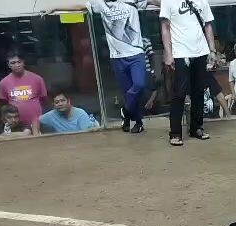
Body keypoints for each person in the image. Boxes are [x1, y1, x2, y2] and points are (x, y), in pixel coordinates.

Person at [48, 0, 161, 134]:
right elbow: (78, 6)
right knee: (127, 93)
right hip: (117, 57)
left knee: (138, 85)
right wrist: (55, 7)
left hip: (136, 54)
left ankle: (125, 111)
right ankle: (137, 122)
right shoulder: (100, 3)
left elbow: (154, 1)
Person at [161, 0, 218, 146]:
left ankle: (196, 128)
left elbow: (208, 25)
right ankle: (175, 133)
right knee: (179, 93)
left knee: (199, 91)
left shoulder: (201, 1)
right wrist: (168, 53)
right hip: (180, 52)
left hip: (201, 51)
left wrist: (212, 50)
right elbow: (165, 28)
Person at [0, 51, 47, 136]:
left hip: (36, 122)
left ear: (23, 62)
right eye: (13, 63)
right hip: (16, 125)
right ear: (9, 65)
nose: (17, 65)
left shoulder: (37, 79)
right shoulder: (4, 82)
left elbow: (43, 99)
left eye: (19, 62)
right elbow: (5, 103)